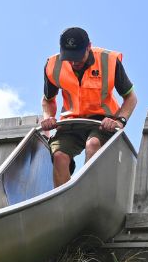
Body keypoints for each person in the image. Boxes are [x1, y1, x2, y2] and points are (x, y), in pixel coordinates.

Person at [40, 27, 137, 187]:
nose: (74, 62)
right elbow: (48, 100)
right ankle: (64, 203)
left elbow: (131, 98)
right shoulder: (53, 65)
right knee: (59, 156)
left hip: (102, 122)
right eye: (69, 57)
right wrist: (48, 118)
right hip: (71, 121)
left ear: (89, 46)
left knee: (93, 145)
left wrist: (119, 121)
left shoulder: (109, 61)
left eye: (78, 56)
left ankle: (88, 193)